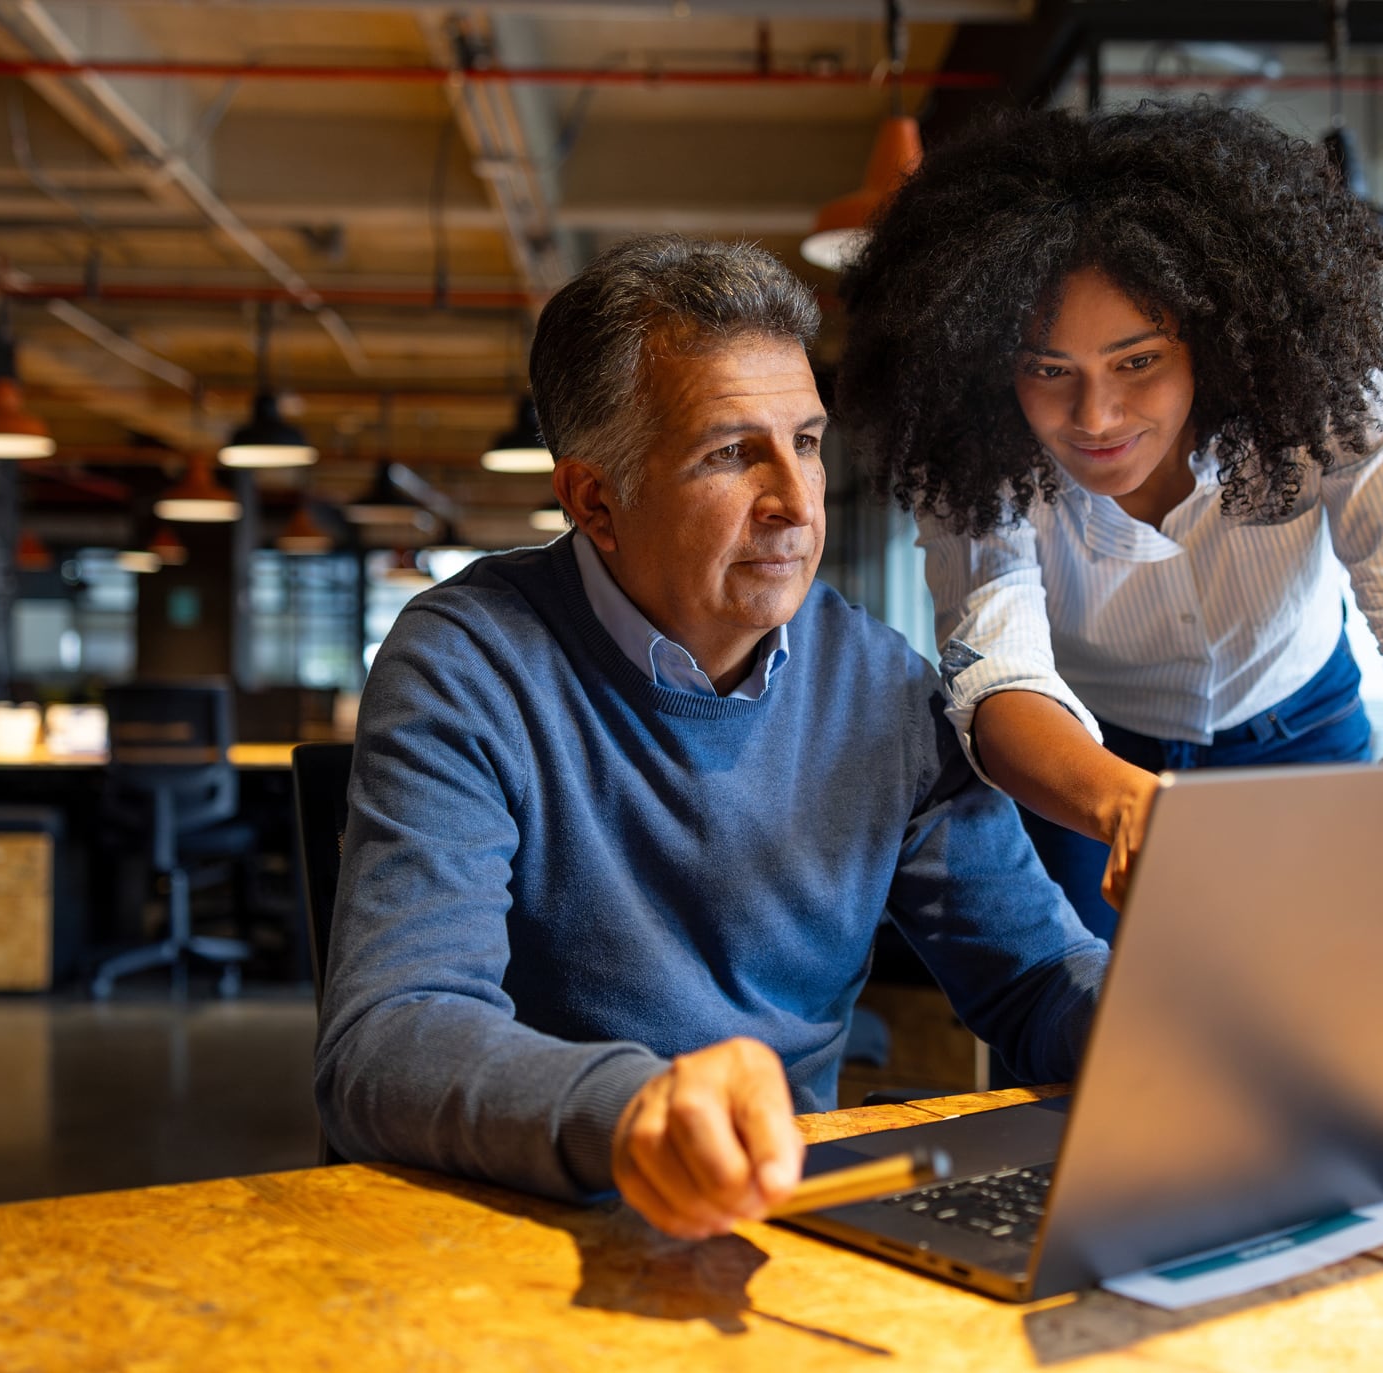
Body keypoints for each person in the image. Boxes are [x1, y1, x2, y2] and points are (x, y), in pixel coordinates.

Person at [314, 234, 1109, 1241]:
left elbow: (1036, 977)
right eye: (733, 453)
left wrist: (1156, 1026)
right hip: (528, 1226)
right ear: (594, 500)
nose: (795, 502)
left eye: (808, 442)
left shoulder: (881, 684)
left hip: (788, 1229)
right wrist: (635, 1109)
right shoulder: (469, 660)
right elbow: (386, 1040)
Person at [837, 102, 1383, 941]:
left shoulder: (1334, 401)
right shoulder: (973, 451)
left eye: (1138, 361)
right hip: (1087, 757)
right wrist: (1124, 801)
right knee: (1085, 1022)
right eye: (1049, 369)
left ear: (1215, 337)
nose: (1096, 414)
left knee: (1324, 1005)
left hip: (1300, 726)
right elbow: (994, 667)